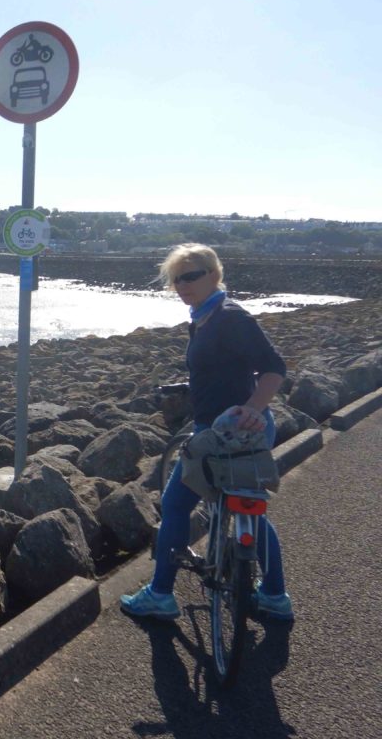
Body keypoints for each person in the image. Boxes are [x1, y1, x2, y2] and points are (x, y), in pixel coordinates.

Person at [120, 243, 294, 621]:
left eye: (190, 276)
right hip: (239, 429)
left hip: (226, 431)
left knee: (175, 506)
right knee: (248, 508)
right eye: (176, 279)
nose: (182, 285)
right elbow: (224, 367)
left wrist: (252, 408)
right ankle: (275, 596)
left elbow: (274, 368)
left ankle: (160, 594)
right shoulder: (204, 317)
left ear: (214, 275)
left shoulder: (229, 317)